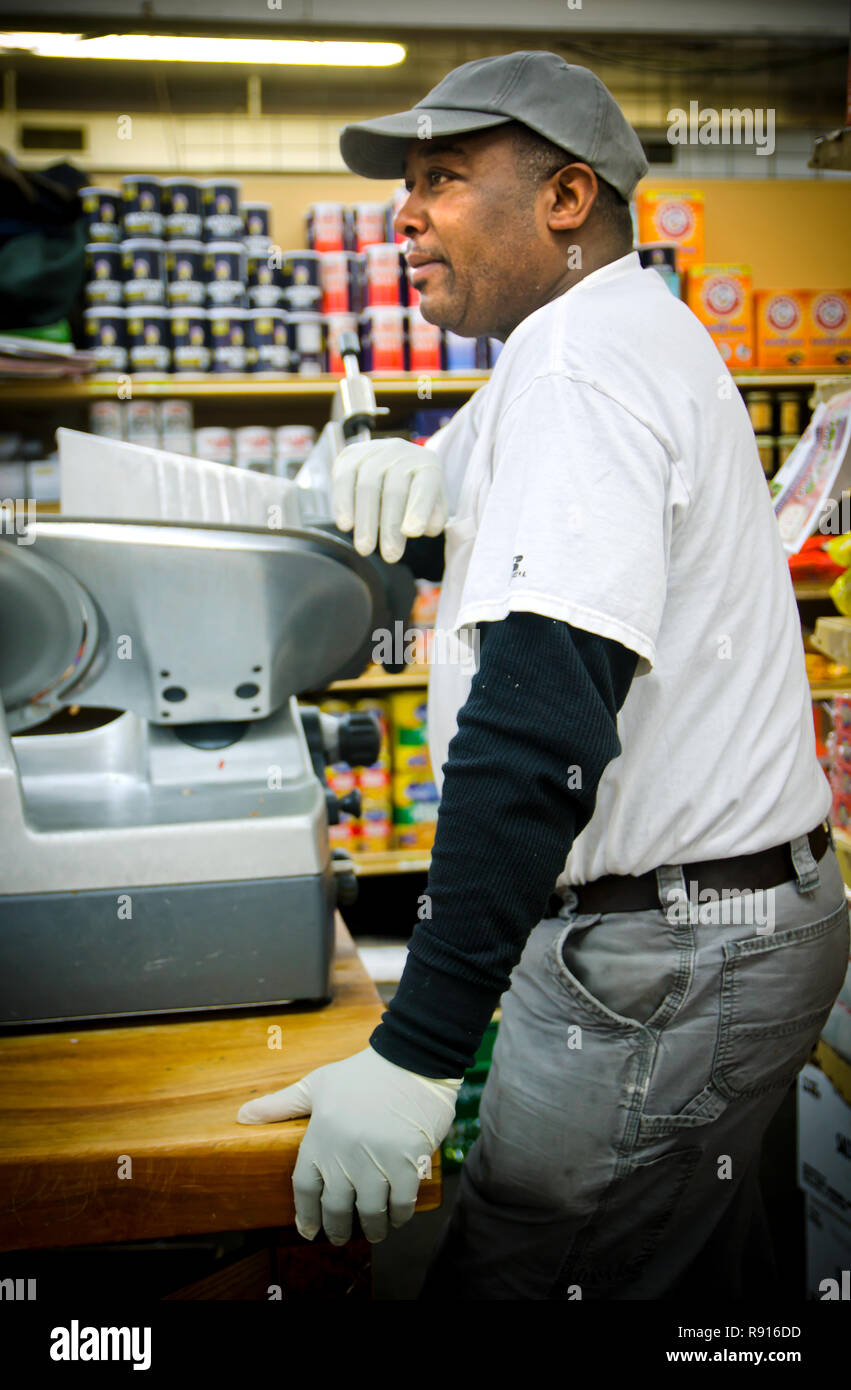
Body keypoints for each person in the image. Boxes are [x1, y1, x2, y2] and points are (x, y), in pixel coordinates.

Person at [237, 51, 850, 1300]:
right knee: (688, 1275)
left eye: (443, 179)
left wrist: (415, 1056)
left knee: (524, 1272)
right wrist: (375, 468)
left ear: (566, 199)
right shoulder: (570, 343)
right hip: (723, 929)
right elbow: (436, 505)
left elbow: (538, 727)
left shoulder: (581, 364)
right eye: (405, 186)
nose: (403, 214)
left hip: (668, 959)